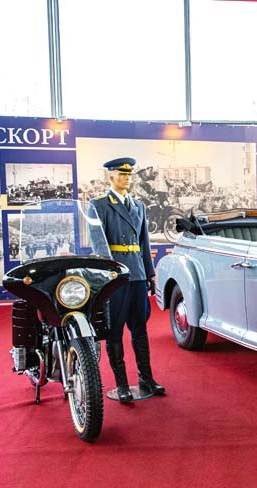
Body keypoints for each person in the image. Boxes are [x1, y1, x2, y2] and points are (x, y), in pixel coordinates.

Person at [89, 157, 164, 403]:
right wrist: (111, 274)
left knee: (140, 328)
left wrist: (149, 273)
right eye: (122, 174)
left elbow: (144, 243)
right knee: (114, 331)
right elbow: (99, 244)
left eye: (129, 174)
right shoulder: (99, 205)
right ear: (110, 176)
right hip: (116, 276)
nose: (127, 178)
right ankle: (121, 384)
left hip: (138, 274)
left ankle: (146, 378)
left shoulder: (138, 206)